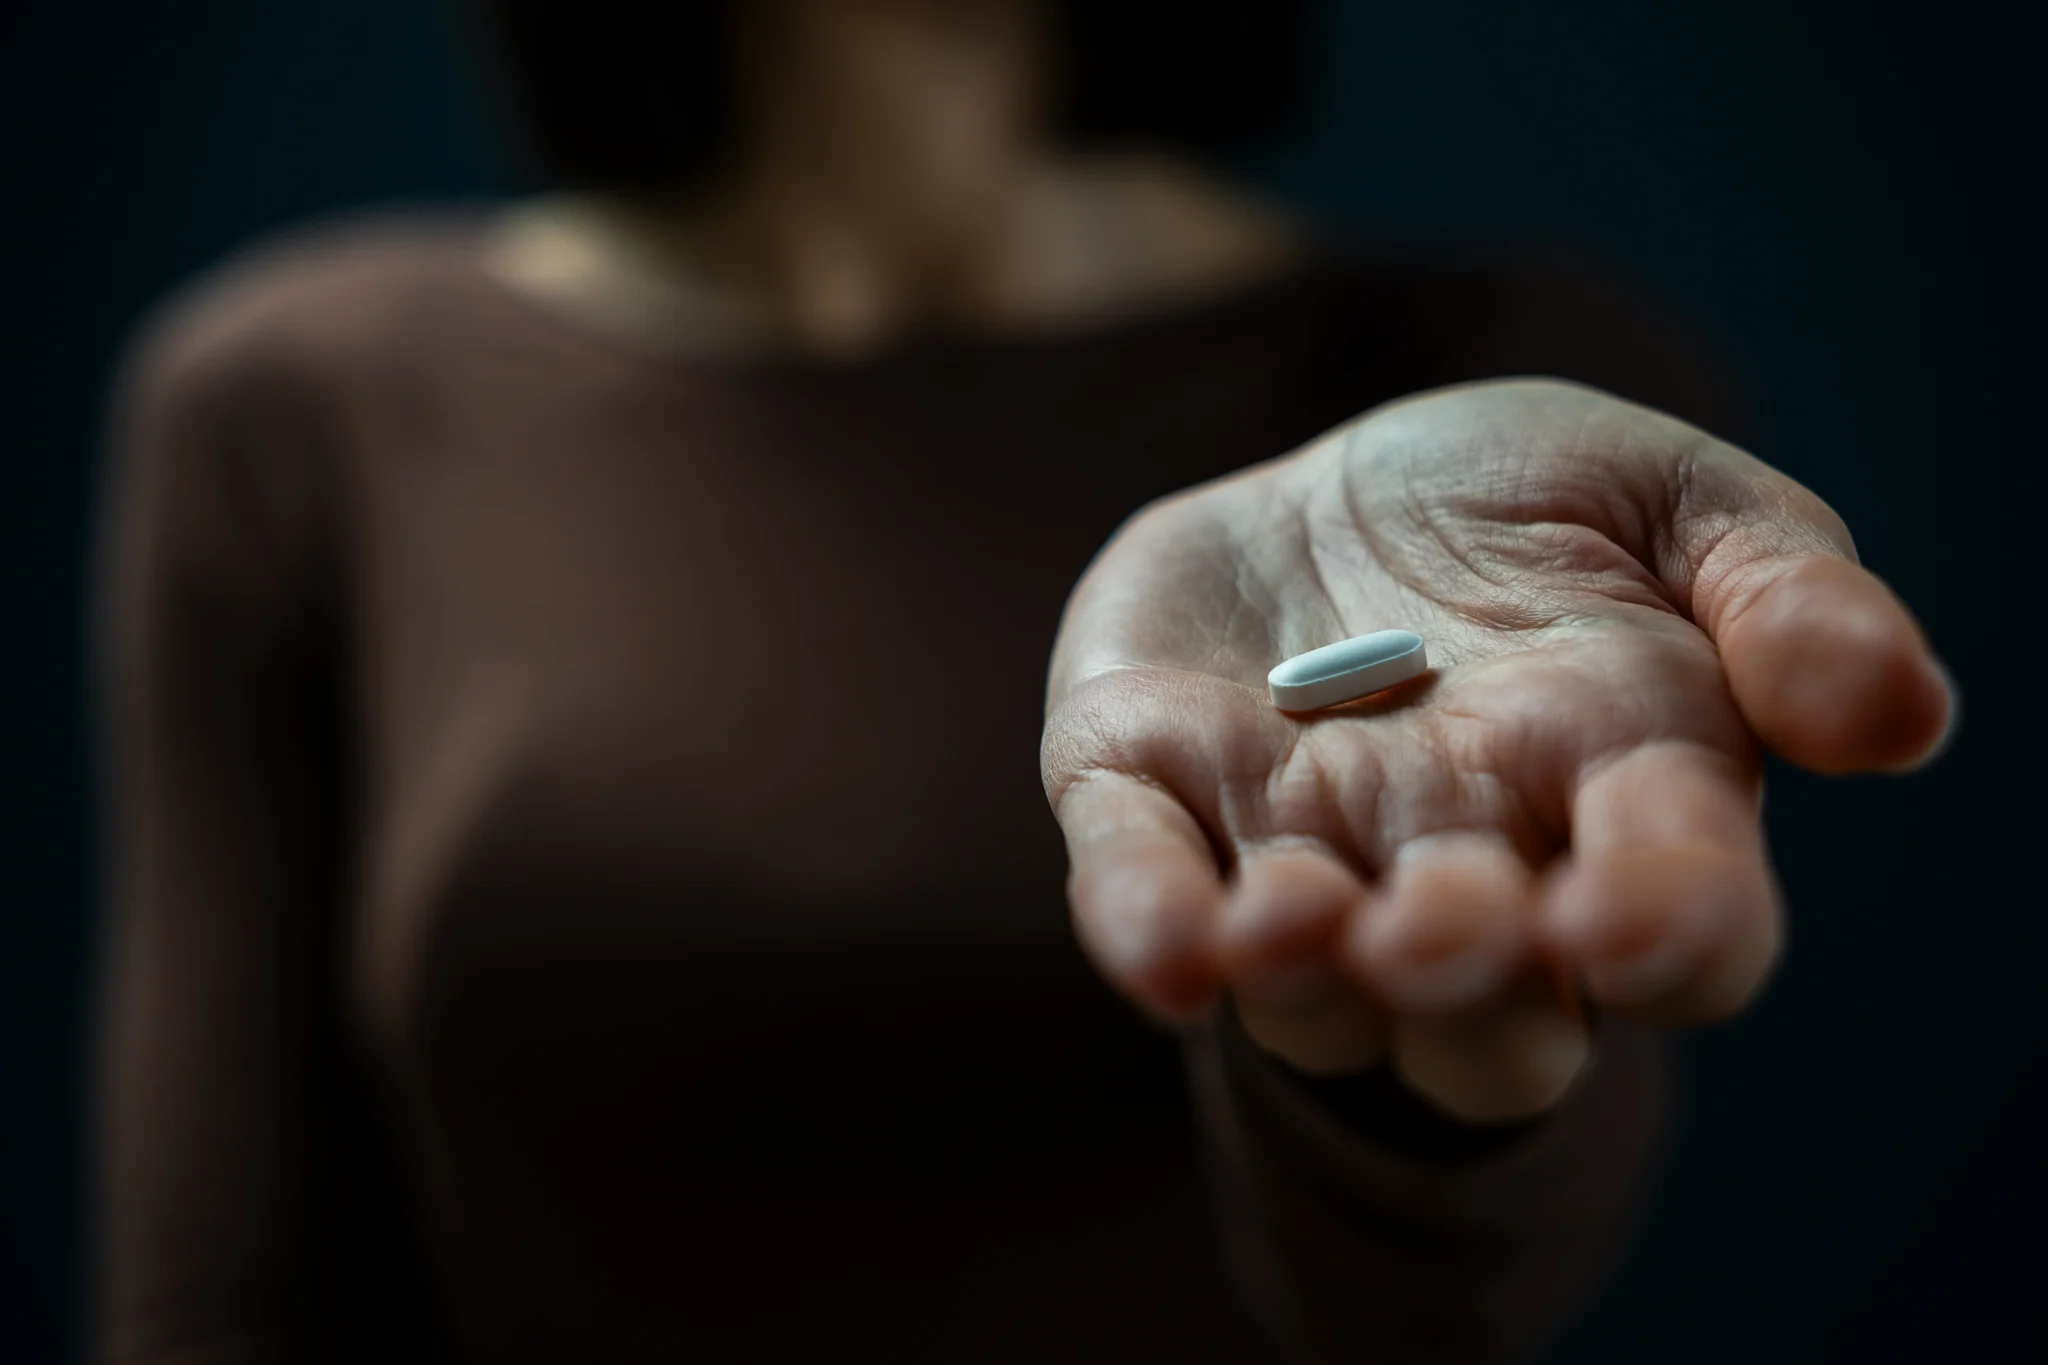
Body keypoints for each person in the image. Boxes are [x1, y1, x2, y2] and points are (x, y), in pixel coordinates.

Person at [86, 1, 1953, 1362]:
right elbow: (217, 1286)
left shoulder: (1487, 388)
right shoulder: (294, 403)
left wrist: (1396, 1077)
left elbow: (1463, 1285)